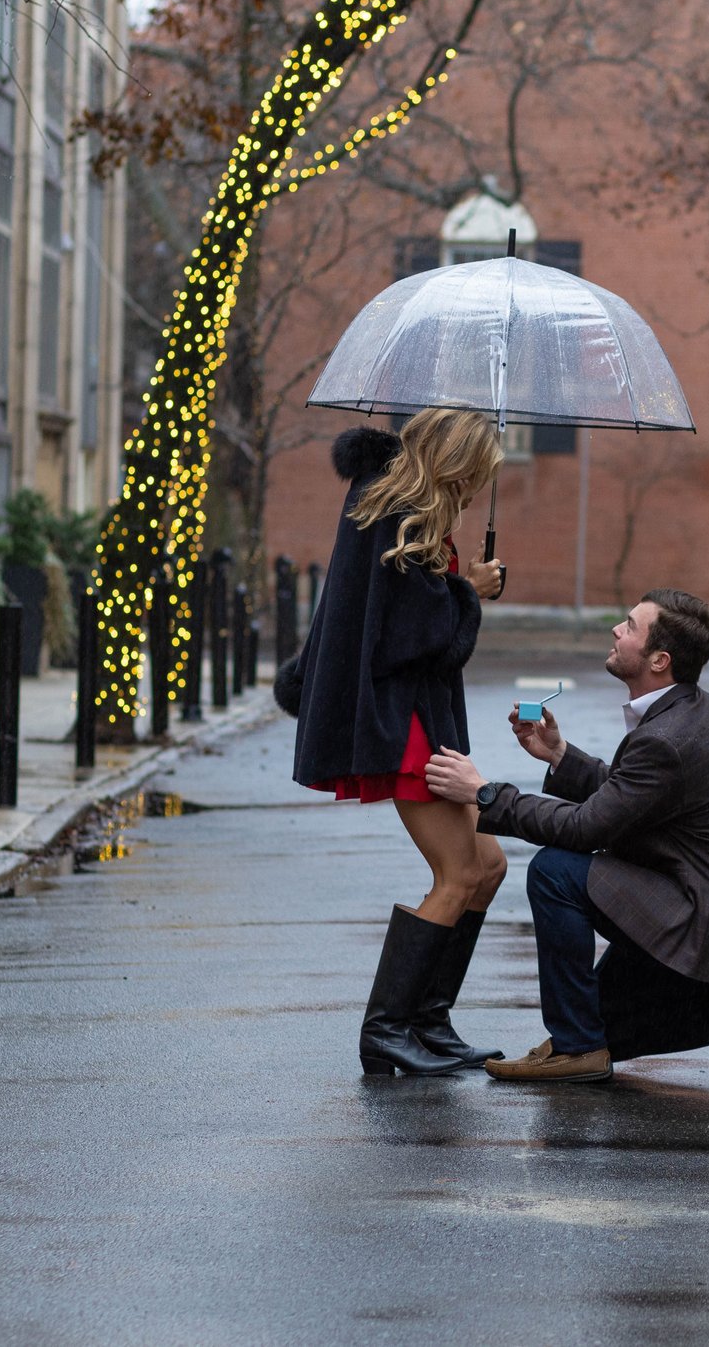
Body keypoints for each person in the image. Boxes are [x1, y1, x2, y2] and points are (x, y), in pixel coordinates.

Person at [423, 589, 709, 1084]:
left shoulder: (667, 737)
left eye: (631, 626)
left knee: (555, 871)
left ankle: (576, 1048)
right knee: (603, 1022)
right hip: (702, 906)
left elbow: (586, 827)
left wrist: (485, 794)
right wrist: (559, 755)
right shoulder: (690, 712)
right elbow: (629, 798)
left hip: (701, 919)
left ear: (659, 660)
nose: (617, 630)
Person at [279, 409, 509, 1076]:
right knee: (459, 871)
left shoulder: (401, 511)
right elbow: (414, 637)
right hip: (406, 721)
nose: (472, 492)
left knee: (488, 866)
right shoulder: (400, 514)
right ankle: (386, 1032)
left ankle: (427, 1021)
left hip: (422, 719)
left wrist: (457, 582)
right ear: (453, 465)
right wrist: (470, 592)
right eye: (472, 478)